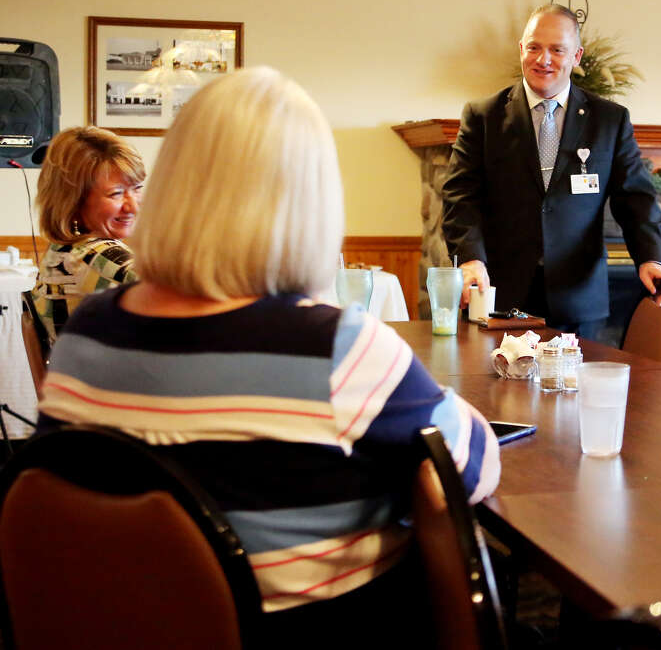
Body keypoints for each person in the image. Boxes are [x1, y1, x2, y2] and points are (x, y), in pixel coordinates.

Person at [36, 67, 500, 642]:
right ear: (312, 202)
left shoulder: (87, 336)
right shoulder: (340, 348)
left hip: (112, 627)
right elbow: (472, 470)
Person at [441, 3, 661, 341]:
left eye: (556, 49)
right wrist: (471, 258)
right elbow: (459, 196)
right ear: (522, 49)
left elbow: (635, 198)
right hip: (500, 298)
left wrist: (652, 258)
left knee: (575, 393)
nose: (543, 59)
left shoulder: (609, 120)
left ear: (576, 56)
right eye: (534, 47)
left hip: (578, 302)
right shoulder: (483, 116)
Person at [31, 126, 145, 343]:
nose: (133, 207)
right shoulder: (98, 255)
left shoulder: (64, 251)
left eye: (137, 188)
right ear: (73, 202)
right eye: (117, 193)